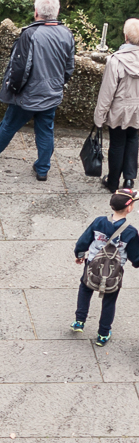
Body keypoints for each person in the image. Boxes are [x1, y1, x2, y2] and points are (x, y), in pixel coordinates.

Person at [0, 0, 78, 182]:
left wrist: (13, 89)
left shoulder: (30, 34)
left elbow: (20, 67)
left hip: (28, 94)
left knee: (10, 123)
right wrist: (57, 84)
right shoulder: (66, 34)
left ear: (36, 12)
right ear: (57, 12)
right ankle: (43, 169)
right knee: (46, 130)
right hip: (52, 93)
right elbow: (69, 67)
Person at [72, 188, 139, 346]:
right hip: (114, 272)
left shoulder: (99, 222)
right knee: (109, 300)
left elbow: (84, 240)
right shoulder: (130, 231)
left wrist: (80, 254)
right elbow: (135, 255)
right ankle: (103, 333)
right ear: (129, 208)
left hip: (92, 265)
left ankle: (79, 321)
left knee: (85, 289)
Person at [97, 19, 139, 192]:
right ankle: (129, 180)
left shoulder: (115, 60)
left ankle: (113, 181)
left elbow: (107, 92)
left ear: (125, 36)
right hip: (138, 109)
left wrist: (99, 117)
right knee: (133, 140)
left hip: (119, 110)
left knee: (117, 144)